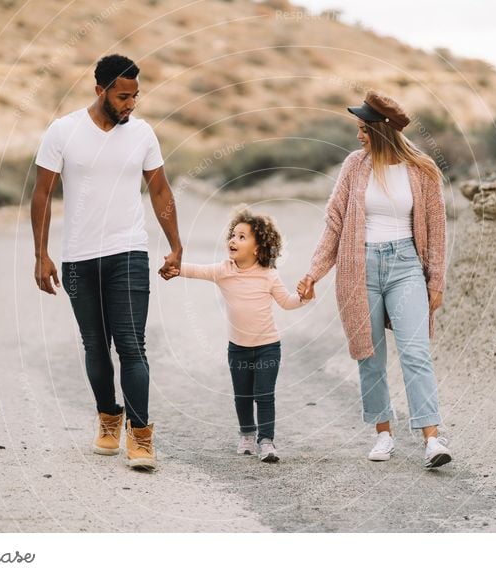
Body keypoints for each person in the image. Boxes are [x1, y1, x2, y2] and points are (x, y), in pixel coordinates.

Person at [30, 54, 183, 470]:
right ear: (100, 91)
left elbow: (160, 192)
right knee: (96, 345)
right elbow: (42, 193)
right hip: (78, 258)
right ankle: (108, 415)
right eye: (123, 96)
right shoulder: (63, 131)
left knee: (132, 346)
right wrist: (41, 253)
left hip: (128, 251)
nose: (131, 104)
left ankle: (141, 434)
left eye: (135, 96)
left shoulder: (143, 134)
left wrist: (176, 244)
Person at [297, 90, 452, 468]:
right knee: (370, 356)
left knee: (416, 352)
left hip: (405, 267)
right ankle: (383, 434)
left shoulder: (422, 170)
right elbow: (335, 221)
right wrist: (314, 271)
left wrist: (436, 281)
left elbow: (436, 227)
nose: (358, 135)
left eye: (363, 127)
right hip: (359, 268)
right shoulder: (354, 166)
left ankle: (432, 439)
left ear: (381, 129)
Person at [165, 207, 310, 462]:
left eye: (242, 237)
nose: (233, 240)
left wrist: (303, 297)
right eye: (233, 235)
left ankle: (266, 441)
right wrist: (174, 267)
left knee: (264, 395)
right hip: (238, 348)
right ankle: (246, 434)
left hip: (268, 346)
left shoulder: (269, 275)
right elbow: (196, 270)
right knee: (242, 395)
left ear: (258, 247)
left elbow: (287, 302)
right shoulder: (224, 270)